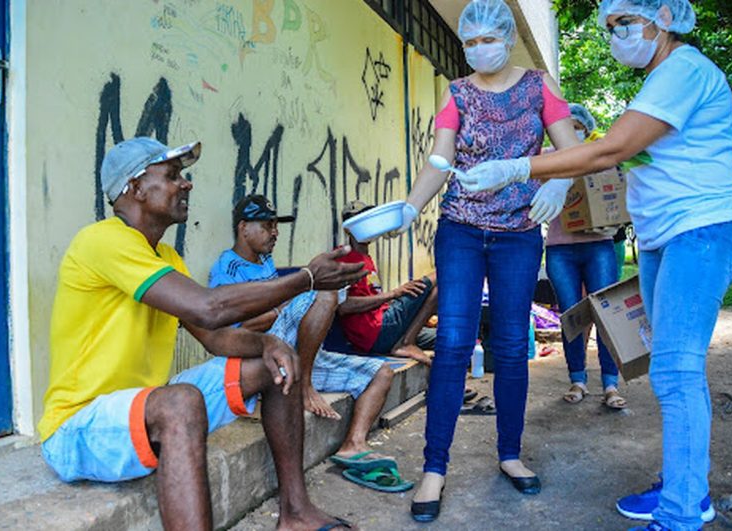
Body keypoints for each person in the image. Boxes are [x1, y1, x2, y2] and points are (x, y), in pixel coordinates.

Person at [454, 1, 732, 529]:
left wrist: (519, 166)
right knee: (669, 371)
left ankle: (680, 513)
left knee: (677, 372)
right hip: (666, 237)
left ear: (663, 17)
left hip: (697, 234)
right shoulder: (661, 77)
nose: (616, 35)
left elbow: (610, 150)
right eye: (611, 27)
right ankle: (686, 487)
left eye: (624, 24)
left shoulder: (683, 69)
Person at [38, 138, 366, 531]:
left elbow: (214, 335)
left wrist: (268, 343)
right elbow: (209, 307)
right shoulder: (102, 241)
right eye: (173, 176)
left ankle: (295, 513)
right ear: (135, 188)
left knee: (276, 365)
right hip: (78, 426)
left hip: (139, 408)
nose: (186, 184)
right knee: (181, 402)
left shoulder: (165, 257)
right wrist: (306, 280)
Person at [385, 0, 582, 521]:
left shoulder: (540, 86)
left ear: (507, 35)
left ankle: (511, 455)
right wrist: (409, 206)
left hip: (519, 234)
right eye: (469, 42)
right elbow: (440, 160)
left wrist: (559, 182)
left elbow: (571, 148)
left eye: (485, 40)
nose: (477, 49)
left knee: (513, 343)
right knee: (452, 340)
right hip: (462, 230)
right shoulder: (457, 93)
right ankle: (434, 467)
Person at [208, 194, 403, 480]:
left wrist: (285, 304)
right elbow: (232, 332)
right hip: (257, 354)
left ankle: (353, 444)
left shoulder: (265, 261)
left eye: (276, 225)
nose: (275, 232)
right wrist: (284, 305)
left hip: (293, 354)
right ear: (243, 227)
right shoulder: (227, 267)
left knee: (382, 373)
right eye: (267, 225)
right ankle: (304, 387)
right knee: (322, 288)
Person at [544, 103, 626, 409]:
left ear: (587, 129)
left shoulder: (600, 157)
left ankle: (610, 384)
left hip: (598, 245)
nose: (572, 131)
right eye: (566, 125)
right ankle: (577, 380)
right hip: (559, 248)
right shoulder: (548, 158)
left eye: (578, 126)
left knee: (606, 315)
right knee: (571, 316)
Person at [336, 200, 437, 366]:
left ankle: (446, 386)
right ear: (348, 229)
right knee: (440, 277)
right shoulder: (344, 258)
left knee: (444, 338)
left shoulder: (366, 258)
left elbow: (372, 299)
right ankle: (406, 343)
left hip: (385, 326)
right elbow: (343, 306)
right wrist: (394, 294)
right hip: (375, 332)